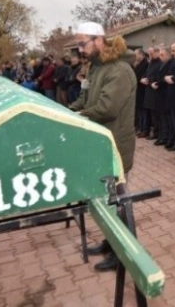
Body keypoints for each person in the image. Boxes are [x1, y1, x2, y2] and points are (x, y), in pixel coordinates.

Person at [69, 22, 137, 272]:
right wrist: (68, 112)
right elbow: (84, 99)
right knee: (107, 200)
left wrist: (79, 117)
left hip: (115, 144)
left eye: (83, 43)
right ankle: (111, 243)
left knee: (120, 201)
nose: (80, 49)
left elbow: (107, 108)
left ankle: (124, 254)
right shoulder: (96, 69)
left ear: (99, 40)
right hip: (100, 142)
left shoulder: (119, 70)